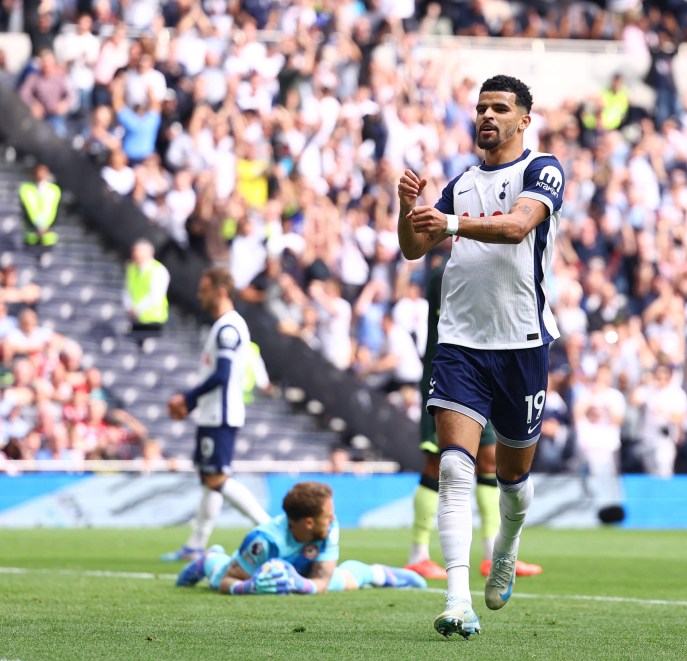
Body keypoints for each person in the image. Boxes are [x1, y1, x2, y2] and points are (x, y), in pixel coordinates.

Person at [398, 74, 564, 639]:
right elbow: (413, 248)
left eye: (499, 108)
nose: (486, 116)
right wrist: (408, 209)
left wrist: (445, 222)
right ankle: (456, 599)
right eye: (480, 108)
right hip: (461, 344)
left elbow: (518, 228)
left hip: (521, 343)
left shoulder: (543, 170)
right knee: (453, 468)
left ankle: (508, 545)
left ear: (524, 120)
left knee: (514, 478)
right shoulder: (461, 182)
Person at [405, 253, 542, 581]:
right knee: (437, 462)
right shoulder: (446, 271)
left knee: (488, 461)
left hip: (485, 373)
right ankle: (418, 553)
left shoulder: (483, 260)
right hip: (452, 373)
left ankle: (490, 552)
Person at [162, 268, 271, 562]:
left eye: (204, 289)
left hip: (220, 414)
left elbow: (222, 375)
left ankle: (270, 529)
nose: (200, 295)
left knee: (217, 478)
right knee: (208, 476)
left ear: (220, 291)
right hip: (213, 413)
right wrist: (193, 404)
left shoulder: (228, 328)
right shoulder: (224, 326)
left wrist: (187, 398)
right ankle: (195, 545)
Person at [176, 481, 426, 594]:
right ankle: (208, 558)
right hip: (251, 574)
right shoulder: (263, 541)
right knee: (217, 572)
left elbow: (323, 580)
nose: (333, 518)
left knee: (345, 580)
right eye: (327, 515)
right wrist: (247, 587)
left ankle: (381, 574)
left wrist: (298, 583)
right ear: (308, 522)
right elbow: (227, 581)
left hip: (302, 573)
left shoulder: (329, 525)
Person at [122, 239, 170, 347]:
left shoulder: (158, 270)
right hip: (135, 319)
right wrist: (129, 307)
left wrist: (137, 309)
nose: (135, 254)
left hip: (152, 320)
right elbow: (127, 290)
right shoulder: (132, 268)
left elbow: (155, 297)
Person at [19, 163, 61, 252]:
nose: (41, 174)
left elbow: (56, 211)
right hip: (31, 235)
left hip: (48, 237)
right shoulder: (26, 188)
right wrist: (35, 228)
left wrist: (48, 228)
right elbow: (25, 210)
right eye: (38, 171)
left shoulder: (54, 189)